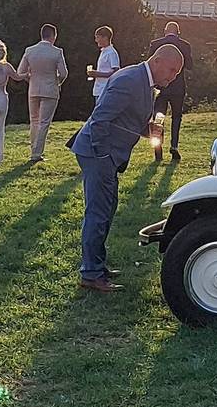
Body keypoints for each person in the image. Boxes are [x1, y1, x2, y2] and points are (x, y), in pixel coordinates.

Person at [69, 45, 185, 292]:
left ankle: (97, 266)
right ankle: (90, 273)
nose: (173, 76)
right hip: (97, 153)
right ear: (157, 61)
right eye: (172, 69)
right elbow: (101, 118)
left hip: (104, 155)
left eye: (177, 73)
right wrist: (102, 154)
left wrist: (149, 130)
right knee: (98, 214)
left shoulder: (142, 81)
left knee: (106, 210)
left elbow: (127, 119)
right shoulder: (131, 80)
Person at [17, 24, 69, 163]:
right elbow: (64, 73)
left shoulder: (29, 50)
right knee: (44, 122)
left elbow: (20, 72)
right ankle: (36, 153)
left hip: (33, 89)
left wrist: (30, 79)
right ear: (53, 36)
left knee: (34, 120)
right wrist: (57, 82)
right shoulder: (57, 52)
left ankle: (34, 149)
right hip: (50, 90)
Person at [148, 21, 193, 162]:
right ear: (178, 32)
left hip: (161, 86)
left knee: (158, 118)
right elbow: (190, 66)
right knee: (176, 117)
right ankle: (174, 146)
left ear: (165, 31)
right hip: (178, 87)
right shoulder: (185, 46)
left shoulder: (155, 44)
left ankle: (158, 148)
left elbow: (150, 65)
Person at [89, 26, 121, 104]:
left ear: (105, 38)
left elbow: (116, 72)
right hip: (99, 89)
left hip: (106, 89)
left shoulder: (111, 53)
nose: (96, 40)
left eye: (98, 37)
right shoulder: (104, 52)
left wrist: (98, 74)